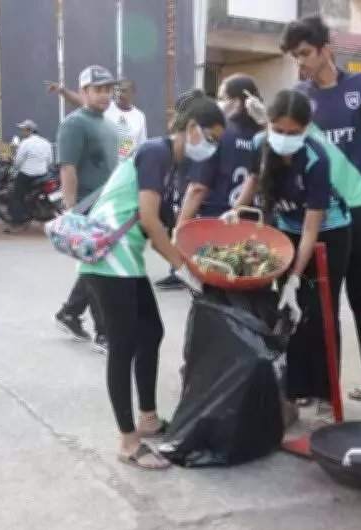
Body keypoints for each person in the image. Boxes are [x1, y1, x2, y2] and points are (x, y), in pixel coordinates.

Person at [79, 90, 224, 470]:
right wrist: (183, 267)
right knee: (124, 346)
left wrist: (183, 258)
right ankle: (128, 442)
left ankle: (147, 419)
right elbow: (147, 218)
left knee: (152, 332)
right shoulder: (157, 152)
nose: (213, 146)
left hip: (125, 260)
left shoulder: (170, 161)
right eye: (212, 137)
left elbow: (159, 224)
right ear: (193, 129)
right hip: (110, 260)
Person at [279, 16, 361, 400]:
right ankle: (322, 386)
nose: (300, 63)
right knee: (321, 299)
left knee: (359, 291)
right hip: (324, 211)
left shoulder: (360, 86)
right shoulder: (300, 96)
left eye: (305, 54)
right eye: (295, 56)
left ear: (325, 49)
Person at [226, 88, 351, 427]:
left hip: (329, 235)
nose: (284, 138)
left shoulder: (316, 160)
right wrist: (235, 211)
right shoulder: (258, 144)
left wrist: (295, 277)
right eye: (278, 130)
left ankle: (327, 396)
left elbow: (312, 228)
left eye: (293, 133)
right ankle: (294, 393)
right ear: (268, 125)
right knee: (289, 316)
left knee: (320, 313)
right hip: (286, 231)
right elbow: (254, 180)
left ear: (306, 130)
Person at [166, 74, 266, 290]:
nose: (218, 103)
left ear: (239, 101)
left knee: (212, 288)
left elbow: (198, 187)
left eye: (222, 97)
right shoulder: (263, 136)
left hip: (214, 221)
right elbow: (255, 179)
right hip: (249, 221)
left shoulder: (219, 134)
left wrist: (179, 228)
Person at [54, 65, 119, 355]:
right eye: (99, 90)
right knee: (98, 268)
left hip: (107, 206)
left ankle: (69, 313)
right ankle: (104, 332)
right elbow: (67, 167)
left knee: (95, 265)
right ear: (83, 93)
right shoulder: (74, 124)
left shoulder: (108, 123)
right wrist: (71, 211)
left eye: (108, 90)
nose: (105, 95)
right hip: (86, 207)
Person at [46, 77, 146, 161]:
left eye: (123, 91)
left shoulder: (139, 116)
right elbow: (80, 102)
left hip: (125, 169)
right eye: (117, 90)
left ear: (132, 93)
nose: (119, 94)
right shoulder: (105, 107)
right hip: (103, 165)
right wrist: (62, 90)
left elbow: (141, 146)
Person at [6, 119, 54, 233]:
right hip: (43, 174)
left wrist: (15, 168)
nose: (22, 132)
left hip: (27, 174)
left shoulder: (25, 143)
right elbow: (50, 160)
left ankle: (16, 224)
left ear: (29, 130)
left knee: (16, 197)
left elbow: (18, 161)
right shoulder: (46, 142)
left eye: (23, 130)